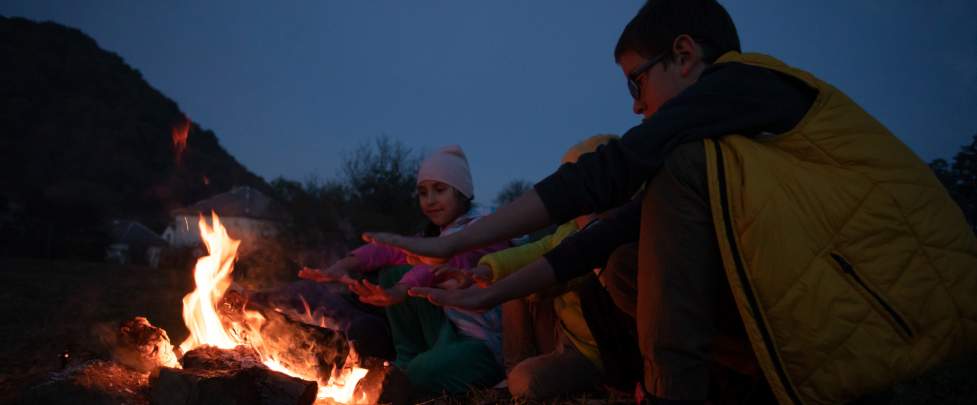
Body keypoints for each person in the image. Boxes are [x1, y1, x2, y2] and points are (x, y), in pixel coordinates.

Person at [364, 1, 977, 404]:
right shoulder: (728, 153)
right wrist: (488, 291)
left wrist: (454, 242)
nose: (636, 105)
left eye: (637, 82)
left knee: (664, 179)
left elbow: (611, 171)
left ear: (684, 56)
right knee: (628, 251)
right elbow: (599, 235)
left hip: (909, 307)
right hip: (857, 311)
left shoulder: (746, 82)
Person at [436, 135, 642, 400]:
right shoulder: (571, 227)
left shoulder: (620, 233)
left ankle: (526, 382)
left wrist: (519, 285)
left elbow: (566, 271)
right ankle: (511, 373)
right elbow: (538, 250)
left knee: (526, 381)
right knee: (513, 281)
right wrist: (486, 270)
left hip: (596, 351)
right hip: (563, 335)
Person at [300, 145, 508, 400]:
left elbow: (437, 265)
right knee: (392, 271)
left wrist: (401, 289)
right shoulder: (439, 233)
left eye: (439, 190)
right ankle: (406, 358)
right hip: (449, 330)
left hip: (483, 344)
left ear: (463, 192)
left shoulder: (484, 230)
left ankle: (417, 373)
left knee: (418, 375)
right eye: (423, 192)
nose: (430, 200)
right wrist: (344, 265)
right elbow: (392, 250)